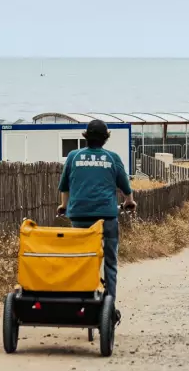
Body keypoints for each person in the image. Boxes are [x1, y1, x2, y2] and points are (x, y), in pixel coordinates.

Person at [57, 119, 136, 307]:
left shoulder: (73, 156)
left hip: (79, 216)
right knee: (110, 262)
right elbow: (125, 187)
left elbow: (65, 186)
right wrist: (129, 201)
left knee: (80, 259)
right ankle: (109, 305)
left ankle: (79, 302)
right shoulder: (112, 158)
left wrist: (64, 205)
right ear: (105, 138)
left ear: (86, 137)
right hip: (106, 216)